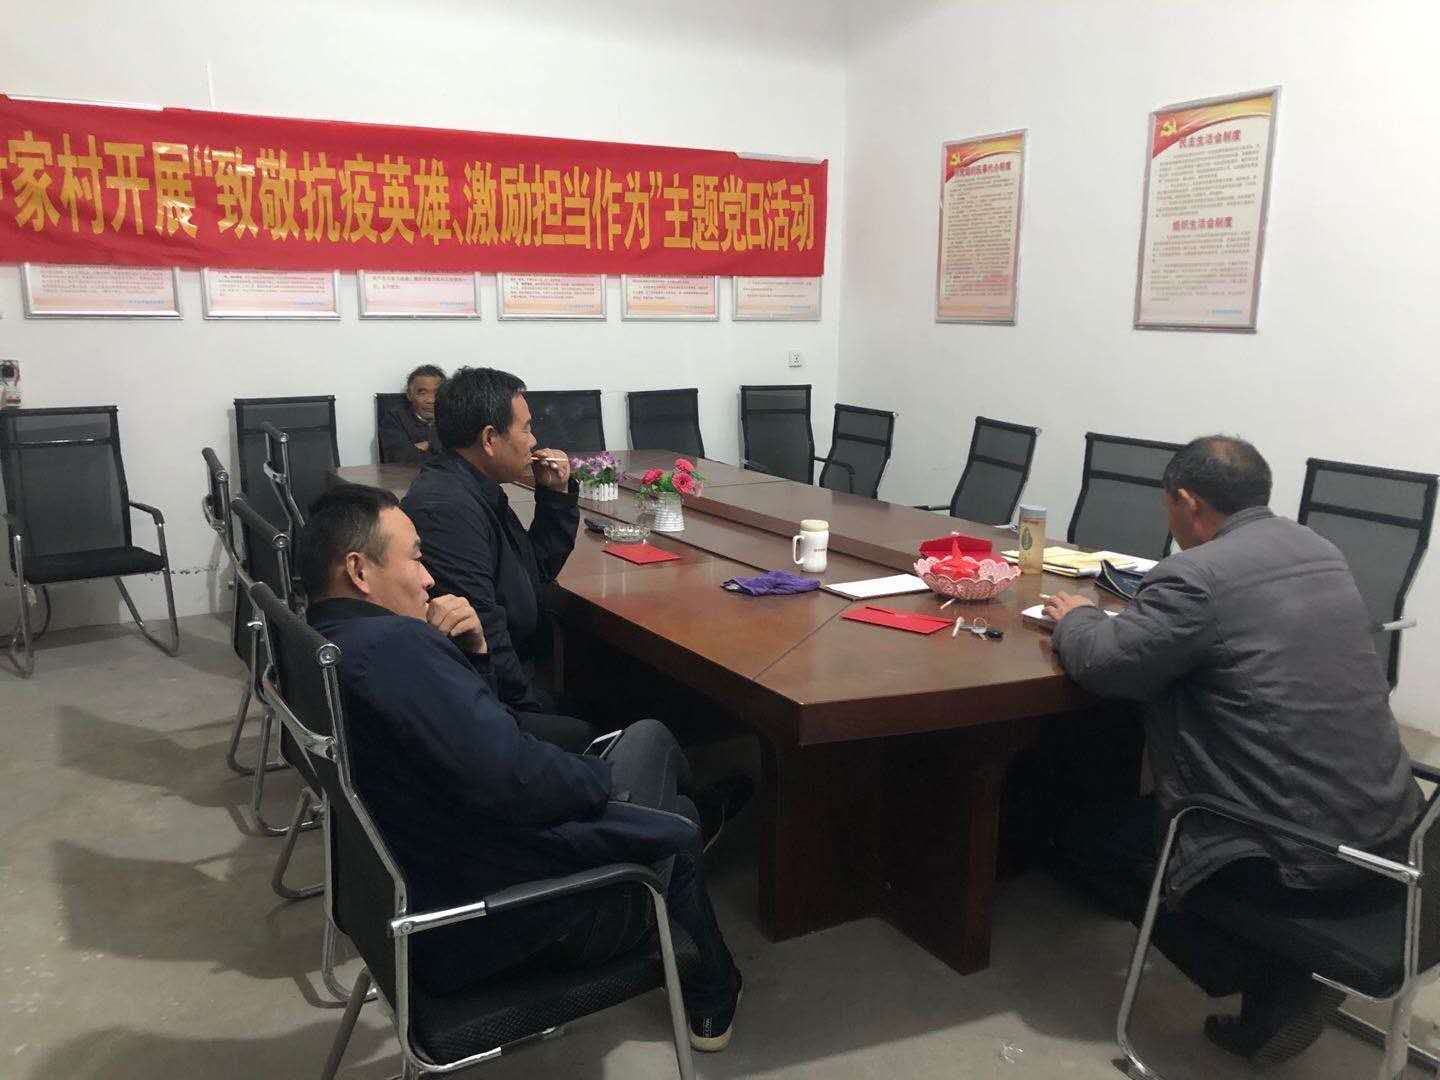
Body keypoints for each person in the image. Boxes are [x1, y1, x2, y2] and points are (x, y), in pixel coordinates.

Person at [298, 484, 743, 1050]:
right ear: (359, 570)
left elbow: (472, 741)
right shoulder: (394, 650)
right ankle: (712, 970)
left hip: (426, 912)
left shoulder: (324, 644)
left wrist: (474, 654)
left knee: (662, 797)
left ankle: (698, 827)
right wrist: (602, 780)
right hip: (518, 922)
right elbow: (512, 777)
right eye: (415, 558)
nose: (429, 578)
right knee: (652, 744)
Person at [1043, 435, 1421, 1067]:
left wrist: (1075, 617)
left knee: (1082, 837)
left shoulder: (1194, 576)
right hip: (1391, 836)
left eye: (1168, 506)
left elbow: (1107, 665)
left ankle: (1274, 983)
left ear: (1188, 502)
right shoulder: (1318, 549)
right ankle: (1280, 969)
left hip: (1291, 857)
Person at [401, 366, 595, 750]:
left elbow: (532, 571)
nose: (534, 440)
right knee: (591, 720)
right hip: (488, 703)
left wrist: (554, 498)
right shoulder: (448, 508)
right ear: (490, 439)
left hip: (512, 672)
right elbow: (487, 634)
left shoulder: (474, 485)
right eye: (526, 428)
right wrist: (538, 713)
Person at [379, 364, 445, 465]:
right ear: (409, 395)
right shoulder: (394, 419)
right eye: (422, 393)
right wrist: (439, 445)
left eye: (437, 393)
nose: (431, 400)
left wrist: (428, 445)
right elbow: (401, 458)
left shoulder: (455, 417)